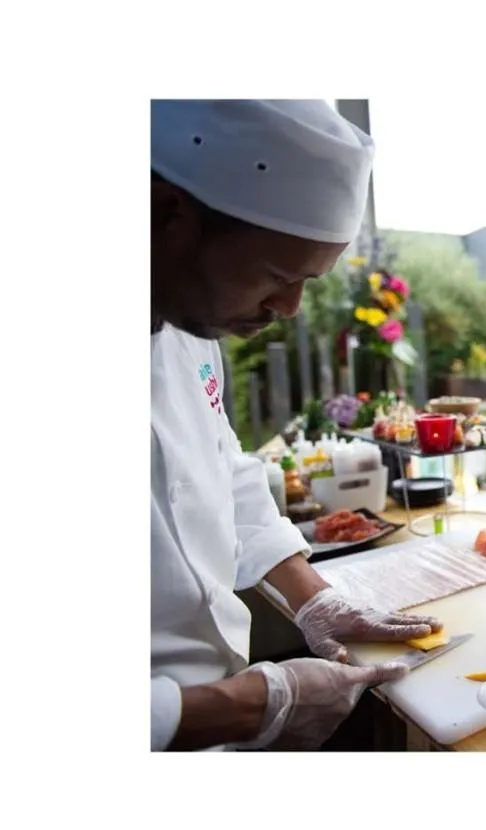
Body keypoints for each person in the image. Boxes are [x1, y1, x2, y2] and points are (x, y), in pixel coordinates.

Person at [151, 100, 440, 752]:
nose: (289, 307)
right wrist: (234, 708)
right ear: (168, 214)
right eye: (279, 276)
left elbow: (222, 469)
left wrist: (311, 597)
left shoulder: (190, 331)